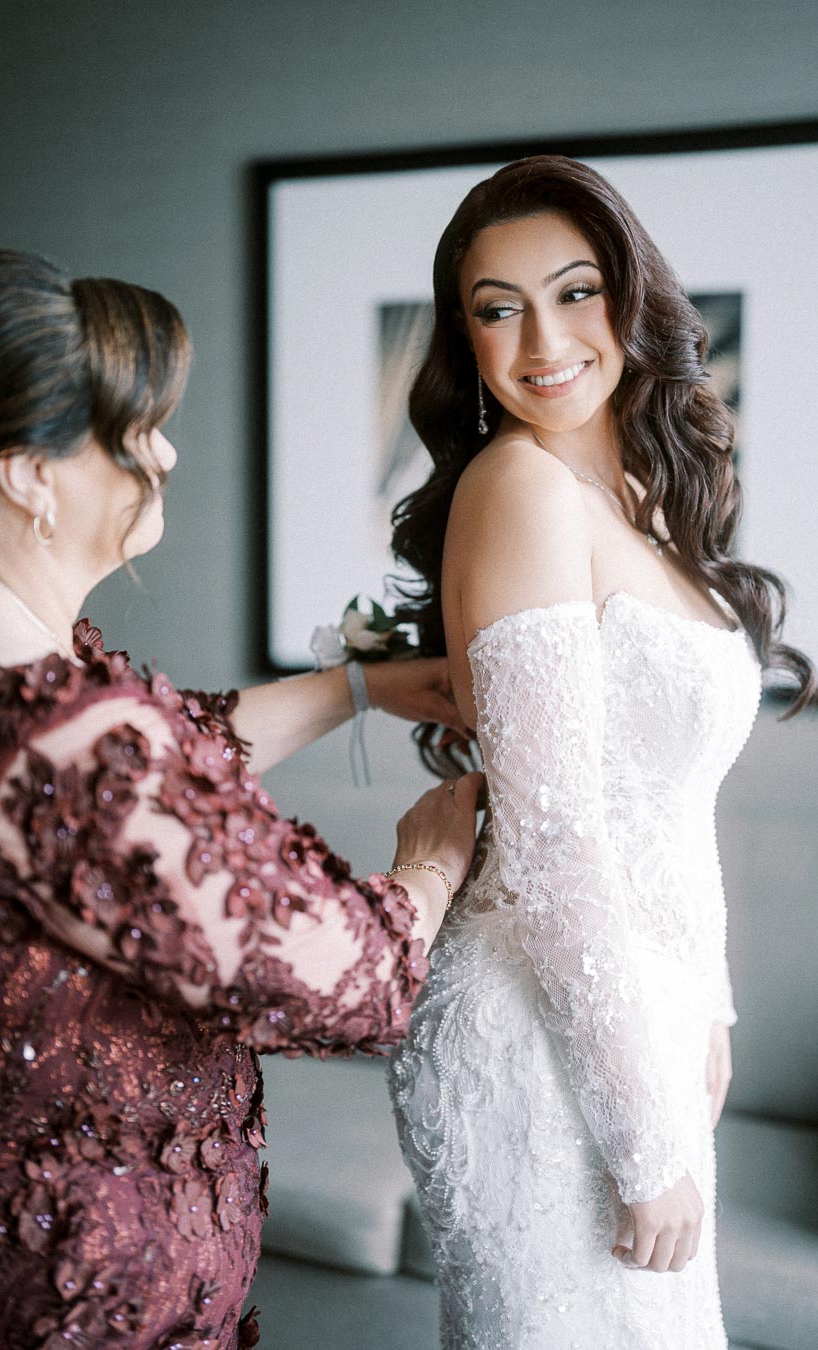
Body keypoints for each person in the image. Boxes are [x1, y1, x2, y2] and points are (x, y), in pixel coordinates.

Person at [0, 249, 483, 1350]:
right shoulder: (50, 732)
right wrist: (432, 861)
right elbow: (347, 980)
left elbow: (144, 787)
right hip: (63, 1295)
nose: (165, 453)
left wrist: (349, 688)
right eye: (133, 432)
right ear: (32, 471)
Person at [386, 155, 815, 1349]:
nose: (541, 341)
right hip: (538, 1041)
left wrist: (707, 1014)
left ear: (632, 300)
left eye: (574, 292)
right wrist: (647, 1138)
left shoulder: (639, 492)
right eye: (496, 307)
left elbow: (668, 811)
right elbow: (558, 840)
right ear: (462, 337)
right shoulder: (518, 487)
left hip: (635, 1021)